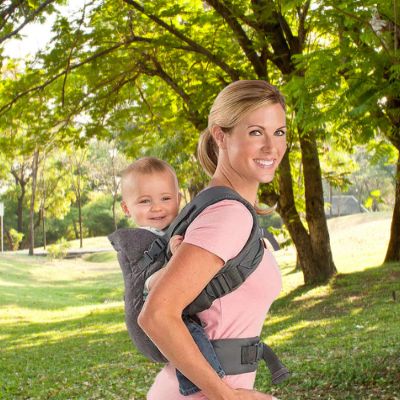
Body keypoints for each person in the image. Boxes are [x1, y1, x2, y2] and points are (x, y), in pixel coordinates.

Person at [139, 80, 287, 400]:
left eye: (279, 132)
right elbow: (156, 314)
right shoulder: (228, 216)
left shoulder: (223, 208)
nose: (271, 147)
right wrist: (228, 396)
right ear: (221, 135)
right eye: (255, 132)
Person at [119, 156, 225, 394]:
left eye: (165, 199)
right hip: (146, 317)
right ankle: (202, 384)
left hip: (162, 311)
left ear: (179, 200)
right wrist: (178, 259)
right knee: (186, 332)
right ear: (126, 208)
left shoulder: (170, 231)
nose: (157, 208)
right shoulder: (139, 243)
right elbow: (151, 282)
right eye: (145, 201)